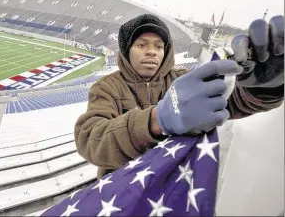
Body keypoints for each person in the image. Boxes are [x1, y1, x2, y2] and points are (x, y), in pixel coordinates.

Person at [74, 13, 284, 179]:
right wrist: (157, 120)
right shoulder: (107, 87)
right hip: (123, 192)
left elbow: (228, 104)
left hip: (173, 187)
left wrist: (261, 89)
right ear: (126, 51)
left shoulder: (185, 80)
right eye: (141, 45)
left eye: (159, 46)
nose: (152, 52)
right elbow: (90, 139)